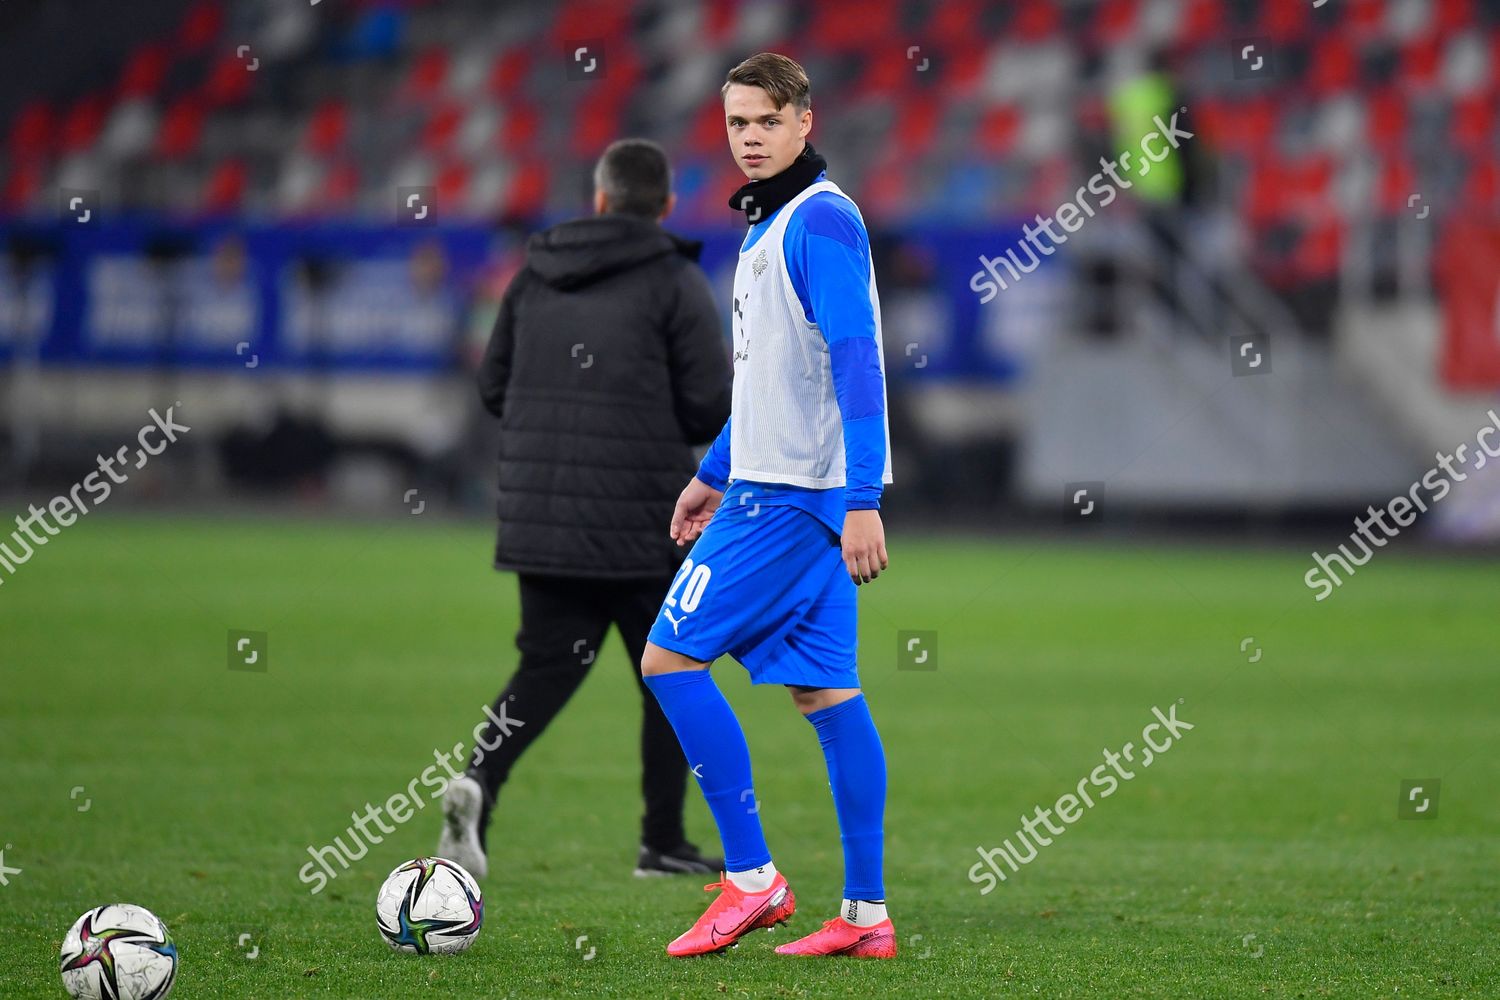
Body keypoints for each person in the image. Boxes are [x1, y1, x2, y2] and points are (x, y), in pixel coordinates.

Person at [639, 53, 897, 958]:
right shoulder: (767, 226)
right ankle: (865, 918)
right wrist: (712, 470)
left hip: (794, 497)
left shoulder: (821, 221)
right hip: (770, 483)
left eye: (765, 121)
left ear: (803, 121)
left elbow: (856, 361)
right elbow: (768, 380)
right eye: (736, 123)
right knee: (827, 694)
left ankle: (752, 879)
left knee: (668, 660)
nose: (748, 138)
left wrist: (863, 497)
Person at [438, 139, 732, 880]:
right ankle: (661, 841)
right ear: (665, 207)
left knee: (543, 669)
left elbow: (492, 389)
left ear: (599, 200)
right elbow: (707, 407)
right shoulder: (673, 280)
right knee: (672, 670)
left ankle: (481, 782)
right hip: (643, 519)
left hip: (542, 516)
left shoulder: (531, 276)